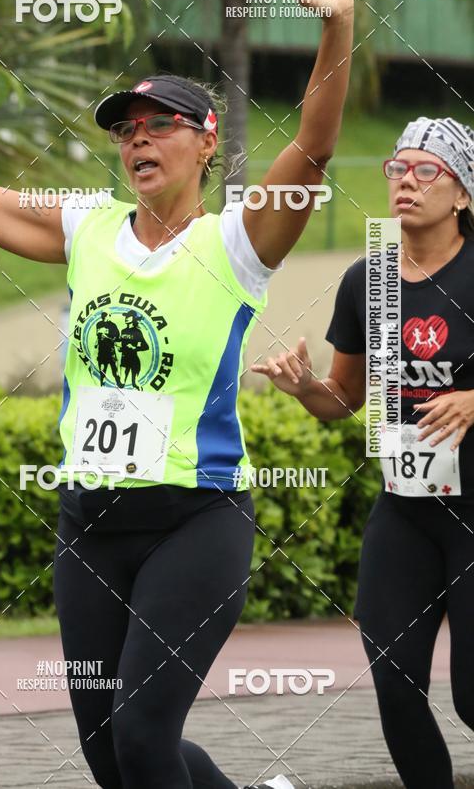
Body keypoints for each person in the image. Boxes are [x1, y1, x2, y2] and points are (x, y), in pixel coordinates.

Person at [0, 0, 353, 789]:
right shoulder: (88, 229)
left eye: (160, 123)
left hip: (196, 520)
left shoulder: (237, 242)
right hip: (88, 526)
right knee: (113, 756)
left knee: (142, 736)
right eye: (125, 127)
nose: (137, 137)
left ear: (207, 141)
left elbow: (314, 147)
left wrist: (338, 24)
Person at [252, 116, 474, 789]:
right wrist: (303, 388)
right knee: (395, 681)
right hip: (405, 511)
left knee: (471, 696)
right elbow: (343, 398)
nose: (407, 179)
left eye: (427, 169)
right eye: (397, 167)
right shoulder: (367, 280)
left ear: (463, 193)